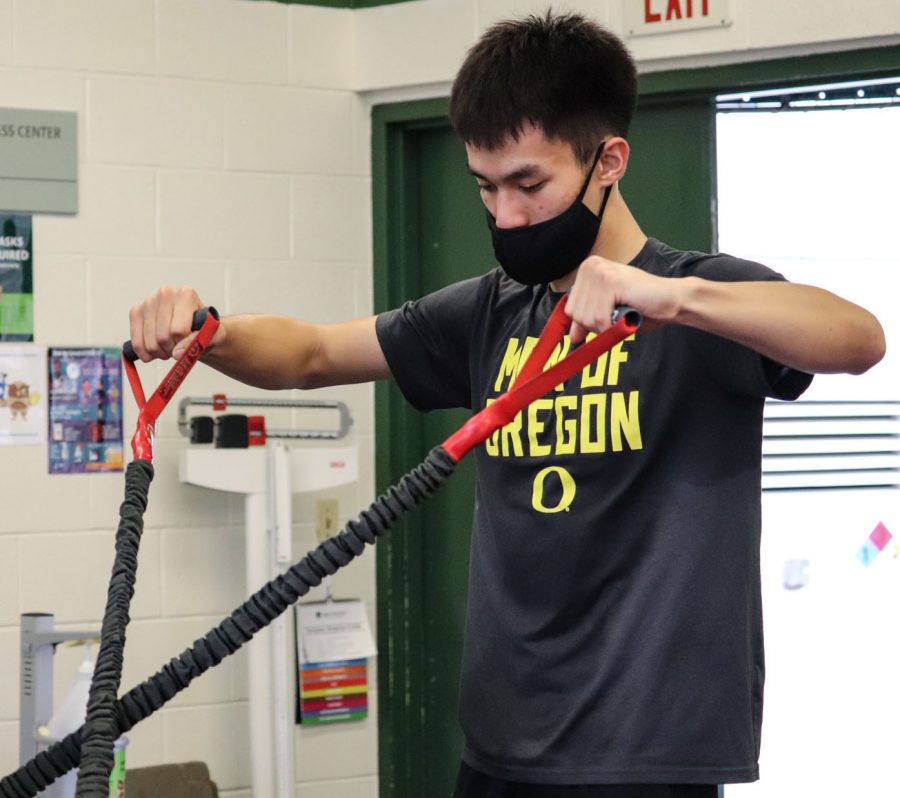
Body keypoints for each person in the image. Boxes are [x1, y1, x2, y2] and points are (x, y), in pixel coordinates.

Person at [129, 12, 885, 798]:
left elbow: (859, 338)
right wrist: (206, 331)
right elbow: (313, 355)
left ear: (608, 162)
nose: (506, 216)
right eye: (486, 188)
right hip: (501, 749)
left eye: (530, 184)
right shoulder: (491, 313)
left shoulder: (699, 300)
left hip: (645, 755)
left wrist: (678, 298)